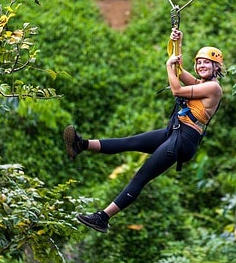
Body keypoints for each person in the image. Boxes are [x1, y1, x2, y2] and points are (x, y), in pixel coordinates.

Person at [63, 28, 224, 233]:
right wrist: (177, 42)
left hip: (184, 139)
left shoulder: (213, 88)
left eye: (206, 62)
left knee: (141, 176)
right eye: (199, 62)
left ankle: (103, 218)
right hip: (175, 132)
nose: (201, 65)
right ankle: (81, 145)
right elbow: (178, 70)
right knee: (129, 142)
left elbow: (176, 89)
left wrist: (168, 66)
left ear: (216, 67)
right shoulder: (200, 83)